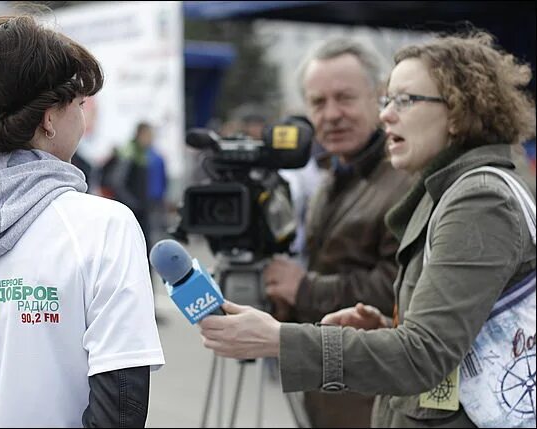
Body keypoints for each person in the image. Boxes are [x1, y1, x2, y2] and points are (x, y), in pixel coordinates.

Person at [198, 30, 536, 428]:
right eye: (387, 100)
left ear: (460, 109)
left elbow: (422, 356)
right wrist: (388, 327)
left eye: (405, 100)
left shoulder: (479, 198)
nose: (387, 114)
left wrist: (279, 338)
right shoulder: (448, 188)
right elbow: (446, 331)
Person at [0, 14, 164, 428]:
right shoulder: (105, 226)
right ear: (48, 118)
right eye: (79, 103)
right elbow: (120, 413)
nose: (82, 117)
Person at [261, 38, 413, 427]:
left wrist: (304, 289)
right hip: (332, 387)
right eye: (318, 102)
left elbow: (404, 290)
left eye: (344, 97)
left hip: (379, 400)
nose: (331, 114)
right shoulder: (333, 176)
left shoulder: (406, 177)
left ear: (380, 97)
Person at [108, 122, 154, 250]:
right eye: (149, 135)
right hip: (133, 212)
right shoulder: (129, 154)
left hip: (141, 210)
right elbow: (116, 182)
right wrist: (133, 204)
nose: (151, 139)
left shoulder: (142, 154)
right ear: (140, 135)